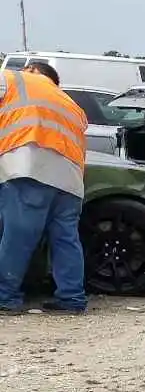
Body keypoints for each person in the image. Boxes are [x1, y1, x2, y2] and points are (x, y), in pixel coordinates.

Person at [0, 58, 90, 314]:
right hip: (71, 179)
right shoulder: (71, 103)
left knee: (18, 236)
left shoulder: (13, 79)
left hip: (29, 165)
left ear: (33, 70)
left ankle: (5, 297)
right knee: (66, 240)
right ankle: (72, 299)